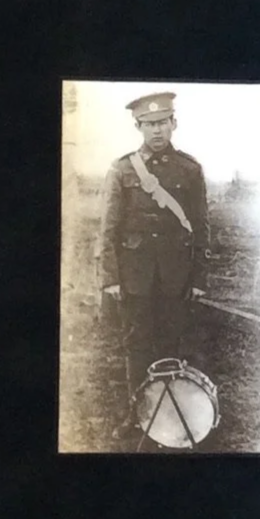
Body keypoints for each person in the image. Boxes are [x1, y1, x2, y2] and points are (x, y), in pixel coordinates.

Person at [96, 89, 209, 405]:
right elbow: (108, 228)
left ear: (174, 123)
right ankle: (136, 413)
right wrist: (111, 278)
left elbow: (200, 227)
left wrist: (199, 279)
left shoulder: (190, 169)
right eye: (149, 124)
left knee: (171, 344)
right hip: (134, 277)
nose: (157, 130)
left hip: (177, 275)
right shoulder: (123, 169)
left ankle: (165, 415)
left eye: (162, 122)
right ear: (138, 127)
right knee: (137, 345)